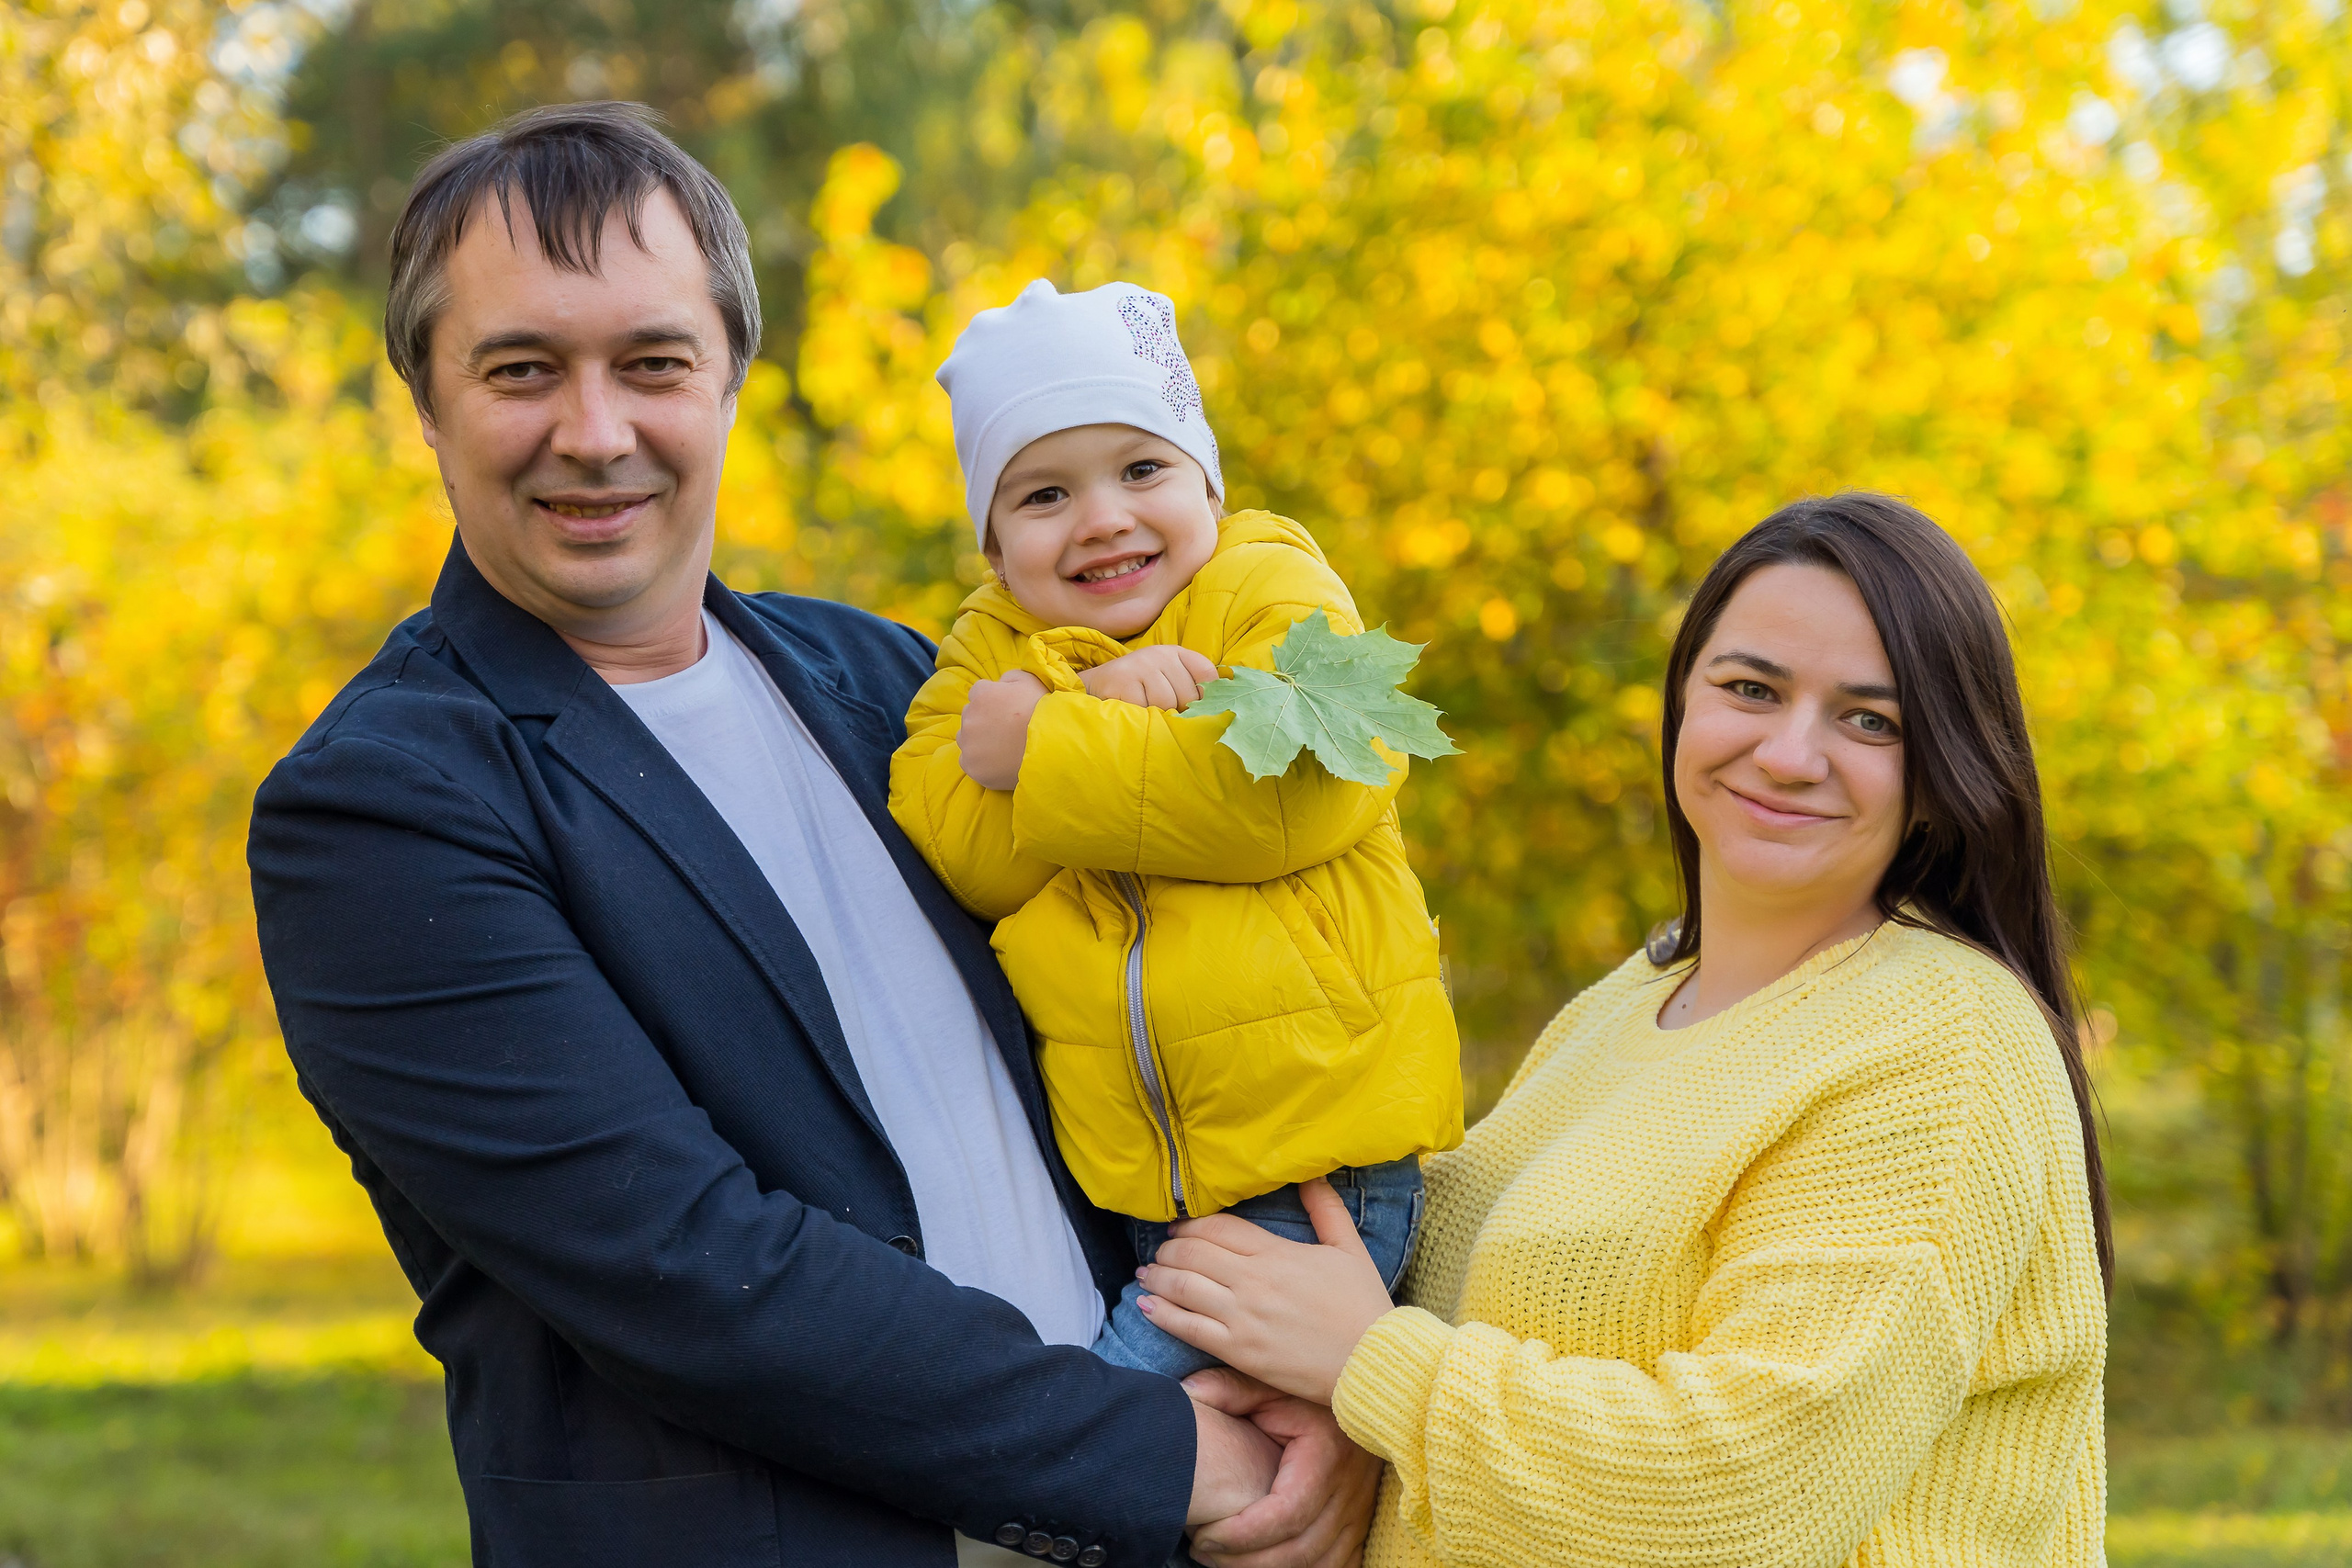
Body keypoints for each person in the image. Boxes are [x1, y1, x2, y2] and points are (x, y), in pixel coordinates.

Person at [246, 101, 1377, 1568]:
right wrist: (1175, 1458)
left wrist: (1323, 1351)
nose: (596, 434)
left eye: (653, 363)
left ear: (728, 381)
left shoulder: (894, 683)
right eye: (523, 369)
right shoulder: (383, 803)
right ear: (429, 402)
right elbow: (687, 1266)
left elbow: (1175, 991)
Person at [1132, 493, 2113, 1566]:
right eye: (1749, 689)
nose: (1789, 753)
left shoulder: (1939, 1045)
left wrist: (1371, 1364)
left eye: (1869, 720)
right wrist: (1344, 1419)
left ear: (1940, 775)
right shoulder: (1618, 1010)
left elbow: (1750, 1496)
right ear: (1682, 705)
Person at [888, 278, 1464, 1382]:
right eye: (1045, 494)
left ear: (1207, 481)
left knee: (1112, 1432)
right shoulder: (985, 650)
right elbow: (964, 850)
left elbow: (1283, 795)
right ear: (996, 550)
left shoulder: (1272, 590)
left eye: (1142, 470)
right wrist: (1093, 689)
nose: (1103, 517)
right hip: (1141, 1192)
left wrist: (1054, 734)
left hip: (1315, 1172)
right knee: (1222, 1472)